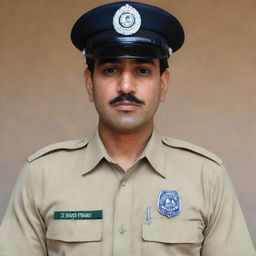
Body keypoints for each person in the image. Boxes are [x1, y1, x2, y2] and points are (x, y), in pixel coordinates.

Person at [0, 1, 255, 256]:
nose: (125, 87)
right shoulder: (42, 176)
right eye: (110, 70)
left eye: (142, 70)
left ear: (163, 85)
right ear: (90, 84)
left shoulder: (206, 177)